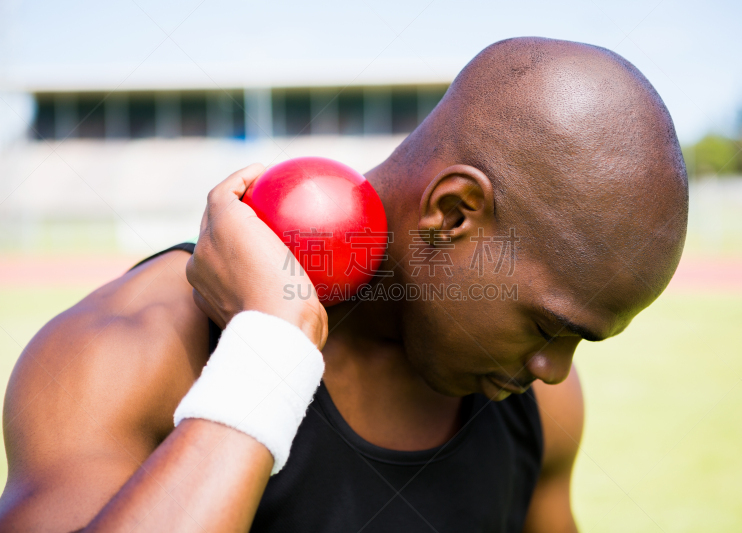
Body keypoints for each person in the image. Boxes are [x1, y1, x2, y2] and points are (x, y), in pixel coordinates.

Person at [0, 37, 688, 532]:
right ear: (453, 212)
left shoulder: (543, 406)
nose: (556, 369)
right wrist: (270, 350)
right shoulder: (126, 351)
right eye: (548, 326)